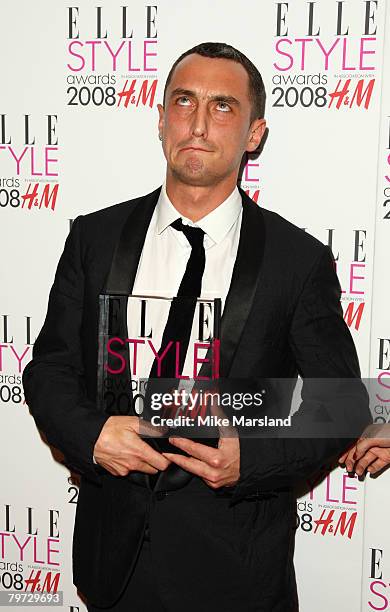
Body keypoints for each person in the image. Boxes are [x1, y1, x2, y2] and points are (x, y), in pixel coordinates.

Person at [22, 42, 371, 612]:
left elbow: (339, 404)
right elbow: (51, 369)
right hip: (115, 564)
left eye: (224, 107)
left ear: (254, 133)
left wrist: (250, 460)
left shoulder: (296, 259)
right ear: (161, 119)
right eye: (185, 102)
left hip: (236, 570)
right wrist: (91, 435)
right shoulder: (95, 237)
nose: (200, 124)